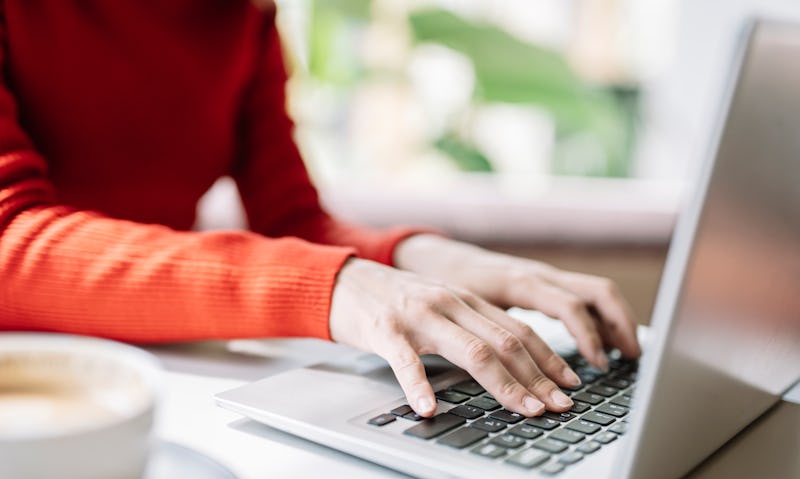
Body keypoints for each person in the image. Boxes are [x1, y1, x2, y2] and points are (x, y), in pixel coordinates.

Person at [0, 1, 640, 419]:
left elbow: (292, 219)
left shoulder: (243, 16)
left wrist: (428, 260)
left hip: (151, 387)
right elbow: (8, 240)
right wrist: (334, 287)